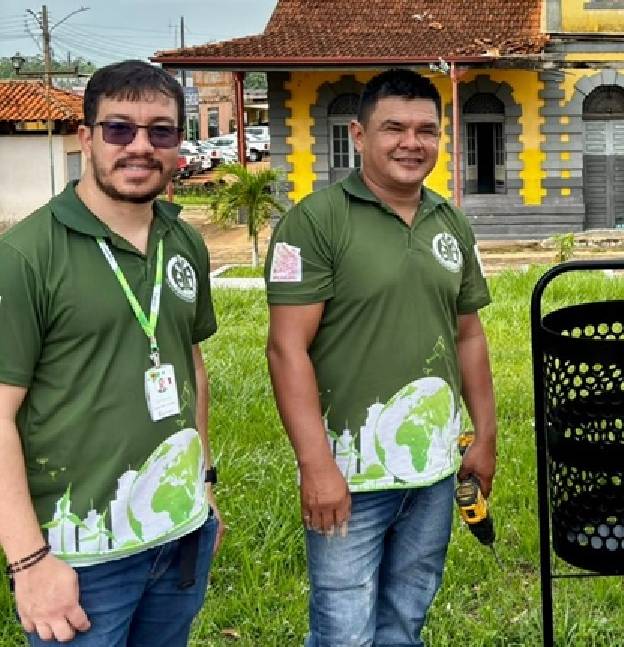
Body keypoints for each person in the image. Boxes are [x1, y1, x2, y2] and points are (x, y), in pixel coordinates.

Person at [265, 68, 497, 647]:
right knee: (344, 630)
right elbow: (285, 348)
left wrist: (486, 433)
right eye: (394, 128)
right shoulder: (316, 221)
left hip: (435, 468)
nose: (411, 143)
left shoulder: (450, 222)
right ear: (358, 134)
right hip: (349, 471)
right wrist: (317, 469)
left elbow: (468, 334)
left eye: (426, 130)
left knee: (405, 618)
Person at [0, 60, 222, 646]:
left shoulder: (184, 241)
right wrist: (28, 563)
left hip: (178, 538)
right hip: (80, 561)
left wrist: (203, 486)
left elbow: (188, 364)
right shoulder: (26, 257)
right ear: (87, 138)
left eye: (161, 131)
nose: (140, 147)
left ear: (179, 142)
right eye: (119, 129)